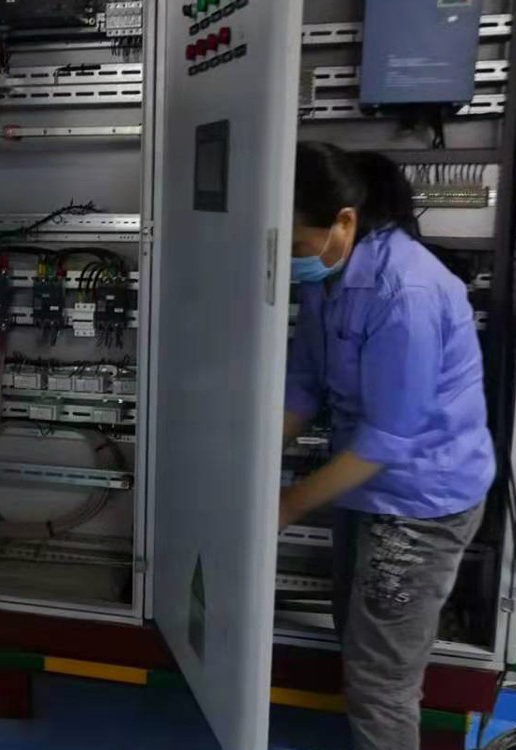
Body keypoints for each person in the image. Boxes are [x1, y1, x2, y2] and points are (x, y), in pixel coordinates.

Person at [281, 141, 496, 750]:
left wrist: (287, 504)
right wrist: (252, 462)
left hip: (420, 501)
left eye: (297, 245)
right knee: (356, 638)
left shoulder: (407, 291)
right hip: (365, 486)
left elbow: (388, 437)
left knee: (381, 683)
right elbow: (304, 382)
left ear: (344, 223)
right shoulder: (326, 275)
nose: (293, 260)